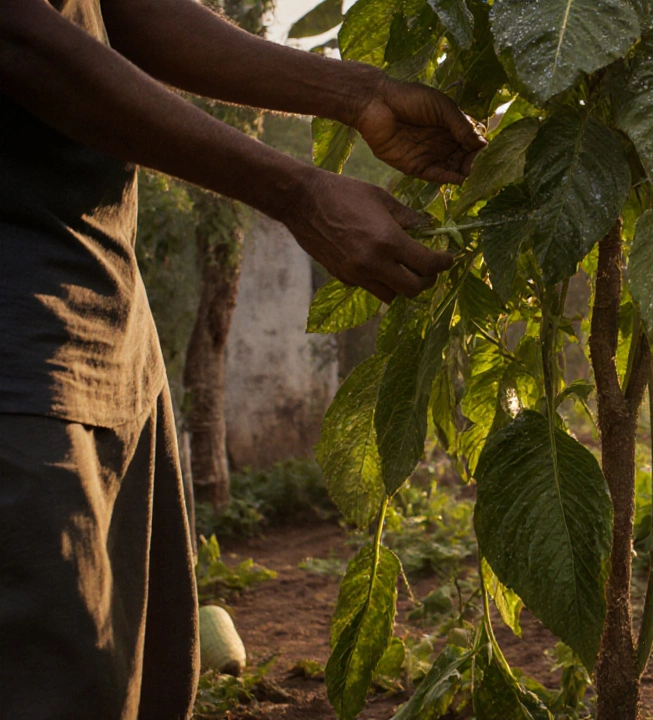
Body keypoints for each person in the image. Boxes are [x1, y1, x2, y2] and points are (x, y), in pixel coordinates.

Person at [0, 0, 485, 717]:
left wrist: (361, 95)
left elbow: (117, 12)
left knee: (146, 680)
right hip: (19, 353)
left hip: (107, 328)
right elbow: (19, 37)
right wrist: (294, 191)